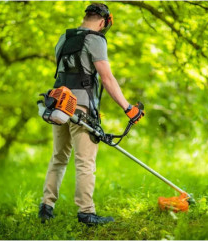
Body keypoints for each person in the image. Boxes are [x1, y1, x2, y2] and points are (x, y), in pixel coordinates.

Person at [38, 3, 144, 226]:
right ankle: (86, 212)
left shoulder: (63, 37)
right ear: (103, 21)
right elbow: (107, 78)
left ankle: (46, 207)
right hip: (81, 109)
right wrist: (128, 108)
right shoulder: (95, 40)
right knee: (85, 162)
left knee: (58, 158)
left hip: (58, 106)